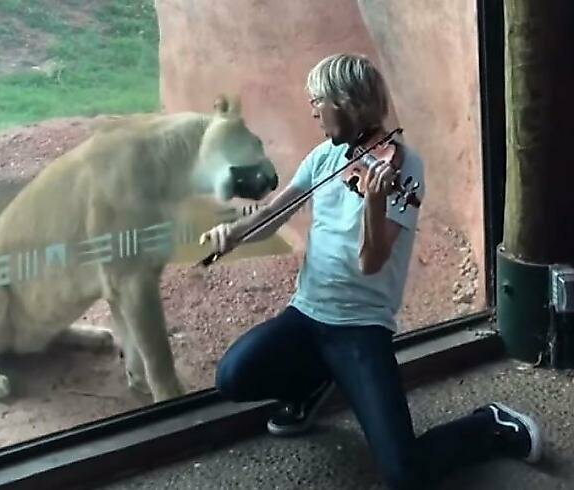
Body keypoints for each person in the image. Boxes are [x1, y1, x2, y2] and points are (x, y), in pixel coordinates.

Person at [198, 53, 543, 490]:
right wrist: (233, 233)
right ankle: (311, 384)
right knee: (233, 376)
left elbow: (371, 261)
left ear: (347, 103)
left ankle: (489, 426)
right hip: (306, 315)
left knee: (405, 476)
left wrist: (374, 203)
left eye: (318, 101)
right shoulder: (324, 158)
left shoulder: (404, 169)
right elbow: (274, 212)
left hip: (361, 330)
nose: (313, 111)